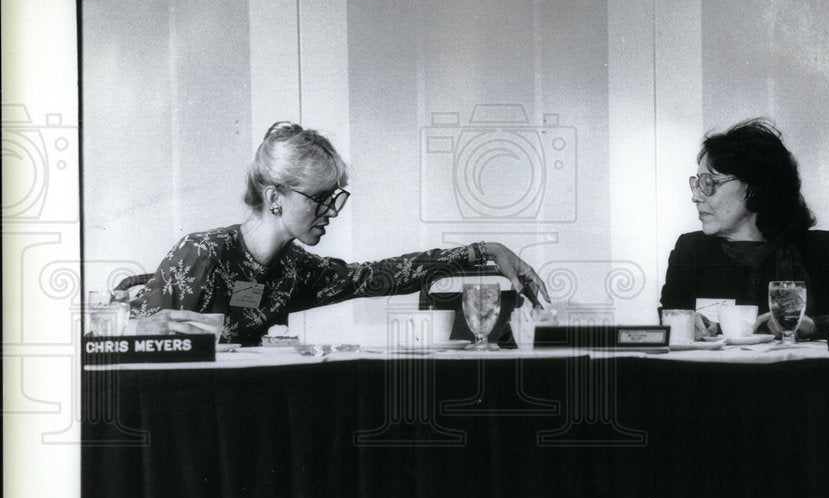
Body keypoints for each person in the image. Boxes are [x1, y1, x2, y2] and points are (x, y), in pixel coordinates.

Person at [130, 121, 550, 345]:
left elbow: (382, 275)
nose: (331, 212)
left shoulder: (295, 269)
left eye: (335, 198)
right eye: (320, 198)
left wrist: (485, 251)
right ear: (275, 196)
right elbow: (127, 344)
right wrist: (138, 330)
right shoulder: (201, 253)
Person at [659, 119, 829, 339]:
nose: (696, 196)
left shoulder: (823, 251)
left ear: (754, 187)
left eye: (709, 183)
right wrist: (682, 324)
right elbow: (666, 328)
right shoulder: (690, 252)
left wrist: (815, 326)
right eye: (697, 183)